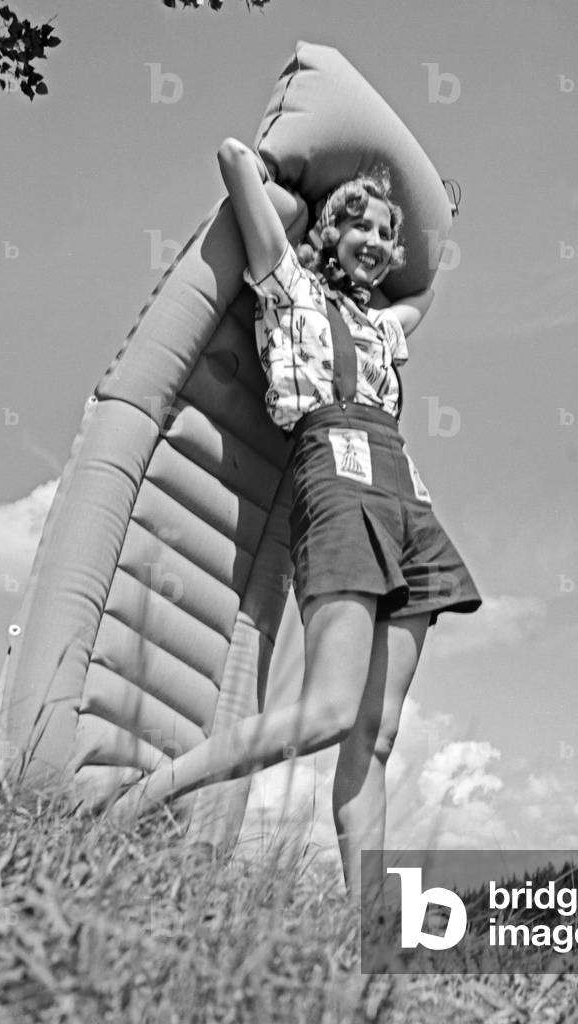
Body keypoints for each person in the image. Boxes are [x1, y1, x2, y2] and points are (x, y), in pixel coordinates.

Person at [106, 137, 482, 902]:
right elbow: (233, 157)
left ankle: (369, 924)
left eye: (387, 233)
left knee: (375, 738)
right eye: (362, 226)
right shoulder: (284, 282)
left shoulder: (388, 325)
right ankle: (139, 802)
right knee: (327, 714)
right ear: (328, 231)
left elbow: (428, 285)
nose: (376, 243)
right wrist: (315, 164)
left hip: (406, 499)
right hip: (334, 482)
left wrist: (434, 218)